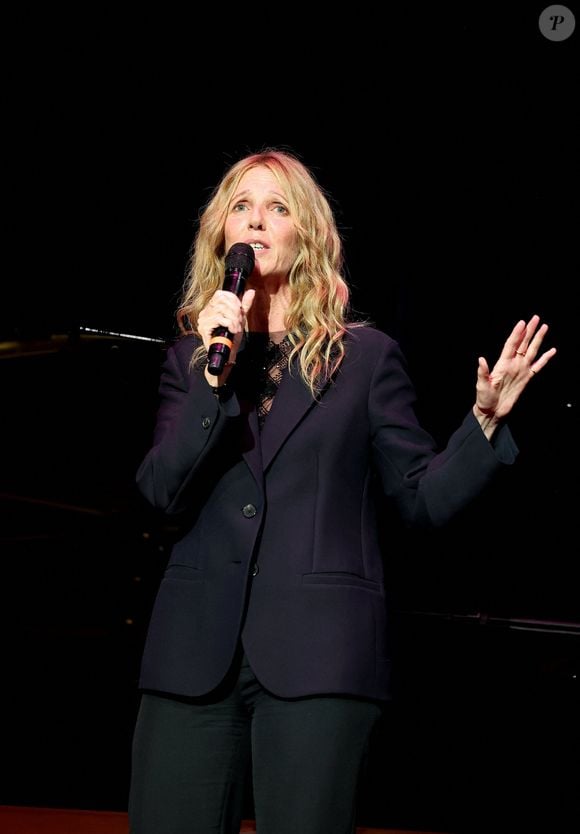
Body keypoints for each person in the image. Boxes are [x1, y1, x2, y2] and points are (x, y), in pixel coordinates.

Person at [127, 148, 556, 834]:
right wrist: (213, 383)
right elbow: (160, 496)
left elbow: (420, 499)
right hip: (190, 658)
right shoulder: (189, 360)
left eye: (277, 207)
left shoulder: (366, 360)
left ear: (309, 235)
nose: (256, 222)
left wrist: (484, 422)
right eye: (241, 206)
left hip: (319, 660)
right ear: (219, 234)